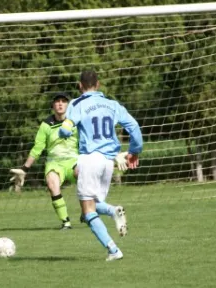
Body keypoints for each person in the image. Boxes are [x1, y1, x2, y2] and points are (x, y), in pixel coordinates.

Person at [9, 92, 129, 230]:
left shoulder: (76, 122)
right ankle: (66, 222)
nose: (60, 103)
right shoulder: (46, 125)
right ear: (53, 105)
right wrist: (24, 169)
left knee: (84, 180)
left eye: (63, 101)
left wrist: (114, 154)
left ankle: (87, 210)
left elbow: (95, 140)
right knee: (52, 183)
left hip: (75, 160)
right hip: (54, 163)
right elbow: (37, 148)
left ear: (68, 105)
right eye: (57, 101)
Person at [59, 71, 142, 261]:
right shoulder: (113, 105)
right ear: (98, 84)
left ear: (80, 85)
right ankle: (113, 211)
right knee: (92, 205)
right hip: (108, 162)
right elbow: (134, 127)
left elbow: (66, 128)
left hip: (89, 159)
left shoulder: (76, 104)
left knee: (87, 211)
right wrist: (134, 150)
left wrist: (64, 133)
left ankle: (114, 251)